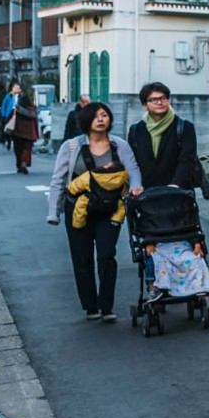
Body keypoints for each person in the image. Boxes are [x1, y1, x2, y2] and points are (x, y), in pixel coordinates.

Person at [47, 101, 142, 323]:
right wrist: (54, 212)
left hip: (110, 208)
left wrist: (136, 187)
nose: (101, 119)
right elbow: (58, 180)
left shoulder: (119, 146)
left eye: (104, 115)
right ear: (86, 120)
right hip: (78, 209)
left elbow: (133, 168)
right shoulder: (71, 147)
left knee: (107, 255)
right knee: (82, 258)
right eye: (96, 116)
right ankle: (91, 305)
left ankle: (106, 306)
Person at [126, 82, 202, 190]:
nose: (159, 102)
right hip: (146, 193)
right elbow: (133, 163)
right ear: (144, 105)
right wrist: (136, 185)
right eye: (153, 100)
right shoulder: (136, 130)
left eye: (163, 98)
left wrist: (176, 184)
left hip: (177, 192)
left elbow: (187, 160)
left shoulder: (184, 126)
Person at [9, 86, 41, 174]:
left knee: (18, 150)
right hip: (30, 133)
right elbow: (36, 122)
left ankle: (19, 166)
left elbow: (11, 120)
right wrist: (36, 134)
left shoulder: (17, 109)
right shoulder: (33, 110)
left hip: (18, 132)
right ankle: (24, 162)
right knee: (27, 149)